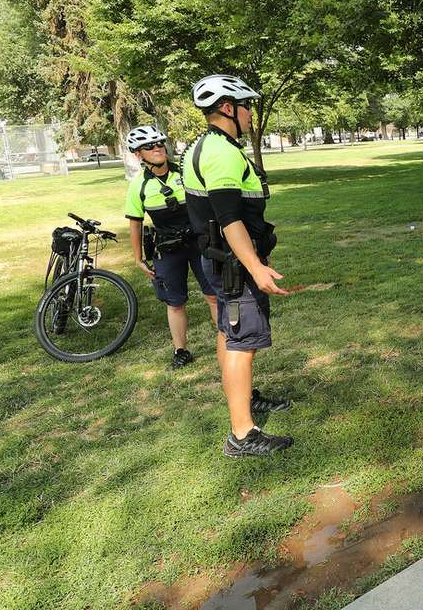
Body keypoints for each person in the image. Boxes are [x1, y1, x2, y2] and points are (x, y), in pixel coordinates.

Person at [183, 74, 294, 458]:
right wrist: (256, 267)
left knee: (229, 334)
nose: (250, 115)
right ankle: (242, 435)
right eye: (247, 106)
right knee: (242, 341)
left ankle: (244, 400)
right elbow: (230, 219)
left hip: (222, 260)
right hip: (233, 264)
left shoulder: (205, 146)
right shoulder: (221, 153)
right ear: (229, 108)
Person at [123, 125, 218, 367]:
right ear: (138, 155)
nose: (157, 149)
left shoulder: (185, 173)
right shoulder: (138, 186)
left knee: (213, 295)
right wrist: (138, 258)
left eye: (159, 144)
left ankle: (227, 341)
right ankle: (180, 351)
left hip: (199, 242)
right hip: (167, 248)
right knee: (175, 303)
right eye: (149, 147)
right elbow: (135, 224)